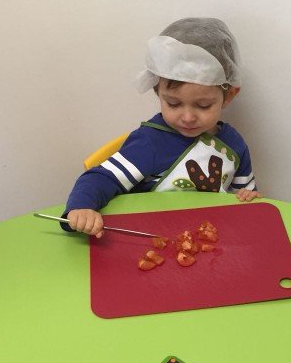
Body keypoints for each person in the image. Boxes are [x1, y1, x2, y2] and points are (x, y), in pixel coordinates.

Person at [62, 17, 260, 236]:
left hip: (209, 241)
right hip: (150, 239)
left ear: (229, 95)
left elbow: (244, 196)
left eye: (203, 105)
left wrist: (248, 197)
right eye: (173, 103)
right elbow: (102, 178)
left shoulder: (234, 144)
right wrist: (82, 207)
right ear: (157, 90)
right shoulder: (150, 142)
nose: (188, 117)